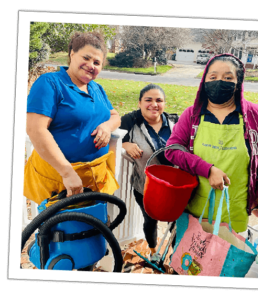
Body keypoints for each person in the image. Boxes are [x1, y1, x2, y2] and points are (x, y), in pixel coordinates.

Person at [165, 53, 258, 233]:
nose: (219, 82)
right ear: (204, 81)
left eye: (228, 77)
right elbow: (172, 150)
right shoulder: (192, 115)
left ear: (238, 83)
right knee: (190, 260)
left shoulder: (255, 116)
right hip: (195, 211)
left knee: (230, 260)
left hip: (234, 213)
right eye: (213, 77)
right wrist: (208, 169)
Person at [24, 31, 121, 204]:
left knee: (92, 229)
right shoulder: (50, 83)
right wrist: (67, 172)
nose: (91, 65)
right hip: (60, 180)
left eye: (97, 62)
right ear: (72, 54)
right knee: (58, 230)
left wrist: (107, 126)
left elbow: (115, 116)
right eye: (87, 57)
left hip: (94, 180)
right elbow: (35, 129)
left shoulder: (97, 89)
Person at [120, 84, 178, 256]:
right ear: (139, 103)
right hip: (145, 188)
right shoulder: (131, 125)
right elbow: (112, 140)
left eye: (159, 100)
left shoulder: (176, 124)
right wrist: (126, 144)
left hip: (175, 188)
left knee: (175, 223)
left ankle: (176, 257)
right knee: (150, 221)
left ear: (164, 104)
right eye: (148, 100)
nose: (154, 104)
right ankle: (153, 252)